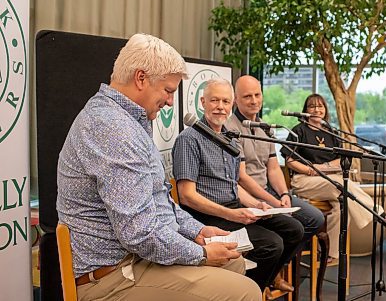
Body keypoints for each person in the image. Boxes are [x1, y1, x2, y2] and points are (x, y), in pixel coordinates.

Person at [57, 33, 261, 301]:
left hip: (134, 260)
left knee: (233, 263)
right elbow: (139, 233)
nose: (169, 102)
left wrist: (197, 231)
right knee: (246, 292)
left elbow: (160, 201)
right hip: (113, 277)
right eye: (167, 91)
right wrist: (200, 253)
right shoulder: (112, 129)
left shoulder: (128, 121)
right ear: (141, 78)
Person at [172, 78, 304, 292]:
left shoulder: (231, 140)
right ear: (203, 102)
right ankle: (245, 291)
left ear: (231, 105)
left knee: (294, 229)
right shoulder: (189, 139)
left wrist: (258, 205)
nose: (220, 107)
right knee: (271, 244)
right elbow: (186, 196)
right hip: (206, 216)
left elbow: (234, 185)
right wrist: (230, 215)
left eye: (225, 101)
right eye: (214, 100)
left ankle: (261, 283)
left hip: (233, 208)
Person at [225, 75, 324, 285]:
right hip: (247, 197)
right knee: (292, 228)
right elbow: (241, 177)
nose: (254, 100)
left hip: (269, 193)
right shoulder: (230, 128)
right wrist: (272, 201)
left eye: (257, 95)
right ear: (236, 99)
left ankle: (274, 269)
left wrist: (284, 194)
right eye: (247, 96)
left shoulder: (266, 127)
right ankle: (267, 275)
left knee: (315, 218)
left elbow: (273, 168)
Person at [280, 93, 386, 263]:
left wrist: (322, 168)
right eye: (312, 106)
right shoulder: (298, 131)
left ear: (325, 110)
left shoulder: (331, 131)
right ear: (305, 110)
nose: (317, 109)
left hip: (330, 180)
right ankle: (379, 213)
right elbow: (290, 161)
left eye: (320, 106)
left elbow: (341, 160)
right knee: (341, 184)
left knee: (341, 204)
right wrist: (311, 170)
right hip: (304, 180)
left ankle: (330, 253)